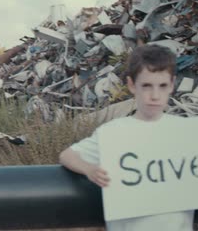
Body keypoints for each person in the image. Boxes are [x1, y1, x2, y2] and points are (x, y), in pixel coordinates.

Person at [59, 44, 195, 231]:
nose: (155, 95)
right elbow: (67, 156)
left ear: (172, 85)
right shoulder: (114, 134)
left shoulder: (186, 132)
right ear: (132, 85)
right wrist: (89, 169)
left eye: (162, 86)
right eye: (146, 86)